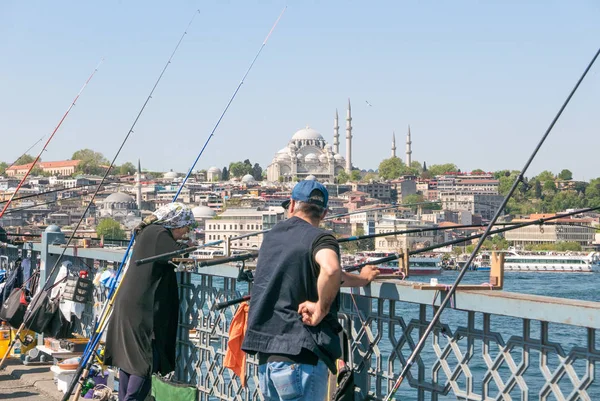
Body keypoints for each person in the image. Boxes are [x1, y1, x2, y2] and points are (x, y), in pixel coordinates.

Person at [242, 180, 380, 401]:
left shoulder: (271, 237)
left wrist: (361, 279)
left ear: (293, 205)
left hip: (268, 358)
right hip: (301, 357)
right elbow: (331, 269)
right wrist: (320, 309)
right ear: (324, 213)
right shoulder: (320, 238)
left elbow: (331, 276)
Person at [104, 203, 196, 401]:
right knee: (144, 360)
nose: (186, 232)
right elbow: (175, 255)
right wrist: (188, 247)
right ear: (175, 222)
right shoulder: (158, 233)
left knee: (129, 360)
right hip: (142, 308)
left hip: (131, 304)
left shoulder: (149, 232)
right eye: (186, 227)